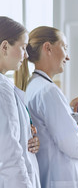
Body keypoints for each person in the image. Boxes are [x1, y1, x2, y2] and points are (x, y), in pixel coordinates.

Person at [15, 26, 78, 188]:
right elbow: (72, 145)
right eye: (64, 47)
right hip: (64, 179)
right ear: (48, 47)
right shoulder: (48, 91)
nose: (68, 57)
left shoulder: (34, 86)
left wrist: (68, 111)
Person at [0, 16, 41, 188]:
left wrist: (28, 136)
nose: (25, 55)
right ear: (4, 47)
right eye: (23, 48)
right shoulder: (2, 90)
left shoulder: (6, 87)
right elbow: (9, 156)